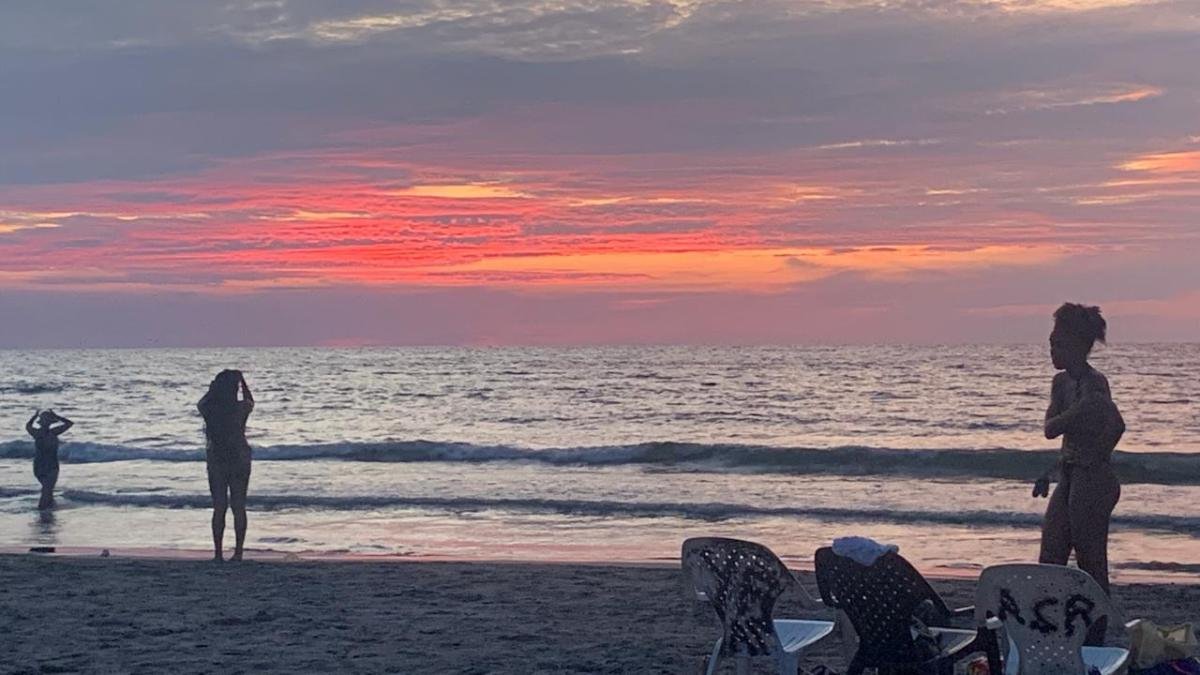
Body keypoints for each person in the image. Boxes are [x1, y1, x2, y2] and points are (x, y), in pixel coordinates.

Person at [1034, 303, 1125, 599]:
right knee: (1051, 556)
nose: (1053, 351)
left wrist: (1094, 456)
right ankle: (1053, 623)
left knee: (1091, 561)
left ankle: (1097, 634)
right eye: (1051, 344)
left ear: (1079, 346)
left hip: (1094, 478)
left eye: (1059, 344)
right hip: (1070, 474)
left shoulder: (1095, 384)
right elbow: (1051, 429)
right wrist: (1054, 469)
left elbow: (1116, 427)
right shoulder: (1061, 383)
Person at [198, 370, 254, 562]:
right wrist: (243, 382)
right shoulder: (239, 409)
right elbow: (250, 401)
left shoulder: (211, 411)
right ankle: (238, 552)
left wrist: (212, 388)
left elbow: (201, 403)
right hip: (239, 458)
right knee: (239, 506)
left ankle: (218, 553)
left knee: (219, 507)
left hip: (217, 459)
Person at [25, 410, 73, 510]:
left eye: (48, 421)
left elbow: (69, 423)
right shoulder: (37, 433)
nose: (46, 422)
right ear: (41, 422)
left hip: (52, 465)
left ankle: (48, 510)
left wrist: (57, 416)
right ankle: (43, 511)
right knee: (47, 489)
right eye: (45, 420)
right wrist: (34, 417)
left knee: (48, 489)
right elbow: (28, 426)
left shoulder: (53, 432)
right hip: (40, 465)